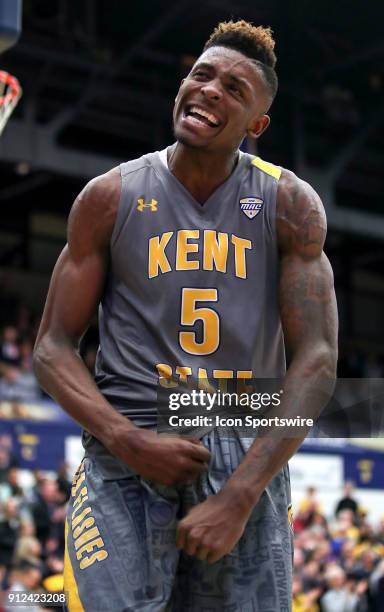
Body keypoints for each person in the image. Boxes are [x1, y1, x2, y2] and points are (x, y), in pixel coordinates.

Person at [33, 19, 338, 611]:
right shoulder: (110, 195)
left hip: (240, 441)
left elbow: (319, 359)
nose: (210, 90)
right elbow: (51, 347)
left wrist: (240, 495)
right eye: (202, 75)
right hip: (126, 436)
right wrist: (125, 439)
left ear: (257, 125)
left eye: (234, 88)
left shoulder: (289, 204)